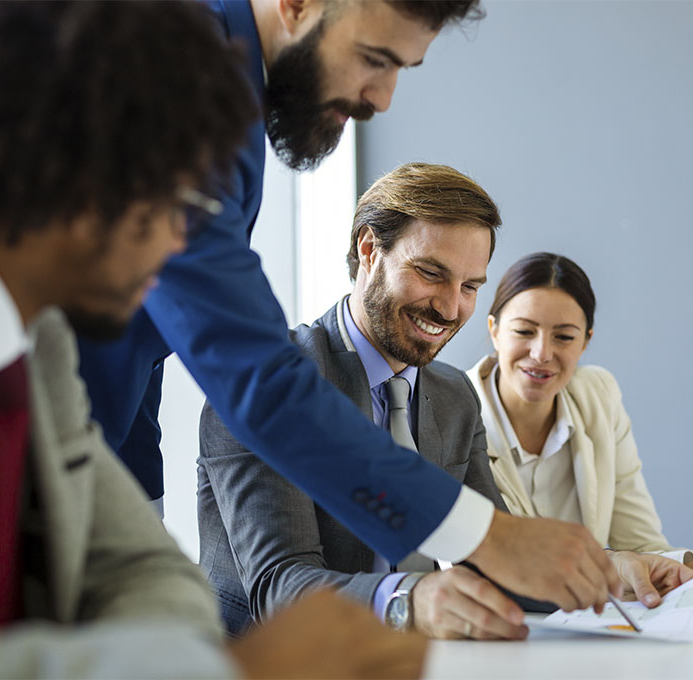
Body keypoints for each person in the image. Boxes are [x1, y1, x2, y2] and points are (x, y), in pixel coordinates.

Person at [0, 3, 427, 678]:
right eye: (174, 202)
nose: (181, 243)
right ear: (66, 160)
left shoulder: (40, 357)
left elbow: (145, 570)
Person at [78, 0, 624, 614]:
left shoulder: (229, 93)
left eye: (402, 68)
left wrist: (126, 526)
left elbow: (140, 326)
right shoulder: (181, 65)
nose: (383, 98)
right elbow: (252, 373)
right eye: (373, 59)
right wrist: (485, 536)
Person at [198, 164, 693, 640]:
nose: (450, 306)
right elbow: (279, 587)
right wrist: (408, 602)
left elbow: (498, 558)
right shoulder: (268, 382)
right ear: (369, 249)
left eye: (470, 286)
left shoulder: (454, 394)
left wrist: (611, 568)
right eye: (431, 273)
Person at [469, 252, 693, 603]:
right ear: (494, 330)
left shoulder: (598, 395)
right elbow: (507, 561)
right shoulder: (455, 413)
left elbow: (640, 544)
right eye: (524, 331)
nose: (541, 353)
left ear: (585, 342)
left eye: (563, 337)